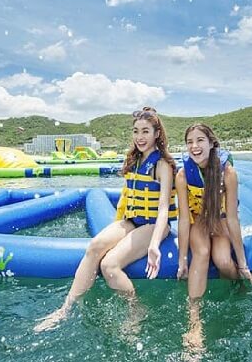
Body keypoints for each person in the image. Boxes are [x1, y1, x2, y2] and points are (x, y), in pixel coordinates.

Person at [34, 107, 177, 332]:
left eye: (145, 131)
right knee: (94, 247)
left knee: (109, 265)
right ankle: (65, 309)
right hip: (132, 220)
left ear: (157, 134)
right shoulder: (135, 160)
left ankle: (135, 309)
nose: (140, 137)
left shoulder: (162, 166)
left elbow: (163, 209)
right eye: (136, 131)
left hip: (153, 224)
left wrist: (154, 243)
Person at [147, 123, 252, 357]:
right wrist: (182, 260)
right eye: (190, 142)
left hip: (221, 220)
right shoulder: (183, 175)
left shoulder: (228, 173)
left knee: (224, 261)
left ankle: (234, 291)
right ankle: (194, 323)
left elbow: (233, 219)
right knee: (203, 252)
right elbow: (184, 219)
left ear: (211, 143)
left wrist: (243, 264)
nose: (194, 146)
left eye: (200, 141)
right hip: (198, 221)